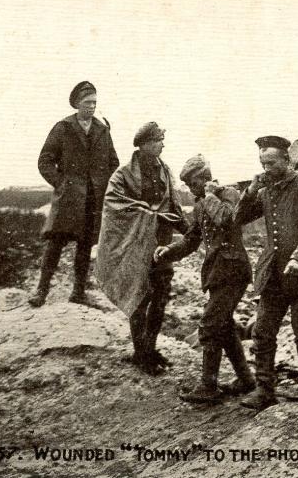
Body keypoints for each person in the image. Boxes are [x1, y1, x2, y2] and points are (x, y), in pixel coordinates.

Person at [234, 136, 298, 410]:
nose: (266, 168)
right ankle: (265, 389)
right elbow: (238, 218)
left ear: (287, 160)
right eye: (262, 163)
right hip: (274, 275)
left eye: (271, 162)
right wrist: (251, 190)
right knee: (263, 331)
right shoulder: (266, 192)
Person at [153, 155, 254, 403]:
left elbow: (226, 219)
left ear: (206, 178)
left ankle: (209, 387)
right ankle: (246, 379)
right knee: (225, 326)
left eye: (194, 183)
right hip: (217, 273)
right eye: (188, 185)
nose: (191, 189)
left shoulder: (229, 194)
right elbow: (191, 239)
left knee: (210, 325)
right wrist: (169, 250)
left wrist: (210, 196)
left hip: (233, 271)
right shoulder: (201, 205)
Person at [95, 122, 188, 375]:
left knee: (160, 299)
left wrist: (191, 234)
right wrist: (150, 215)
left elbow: (174, 208)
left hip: (162, 246)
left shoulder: (166, 171)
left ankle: (150, 348)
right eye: (158, 140)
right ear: (144, 144)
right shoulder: (122, 175)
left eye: (162, 139)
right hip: (134, 248)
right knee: (139, 298)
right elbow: (114, 207)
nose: (162, 144)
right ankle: (140, 353)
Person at [29, 81, 119, 307]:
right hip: (68, 199)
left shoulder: (102, 129)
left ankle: (78, 292)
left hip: (93, 199)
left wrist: (103, 184)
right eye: (87, 103)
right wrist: (61, 184)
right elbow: (45, 161)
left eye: (95, 103)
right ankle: (41, 291)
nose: (91, 107)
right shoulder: (63, 128)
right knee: (56, 243)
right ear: (77, 104)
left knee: (85, 245)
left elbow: (113, 162)